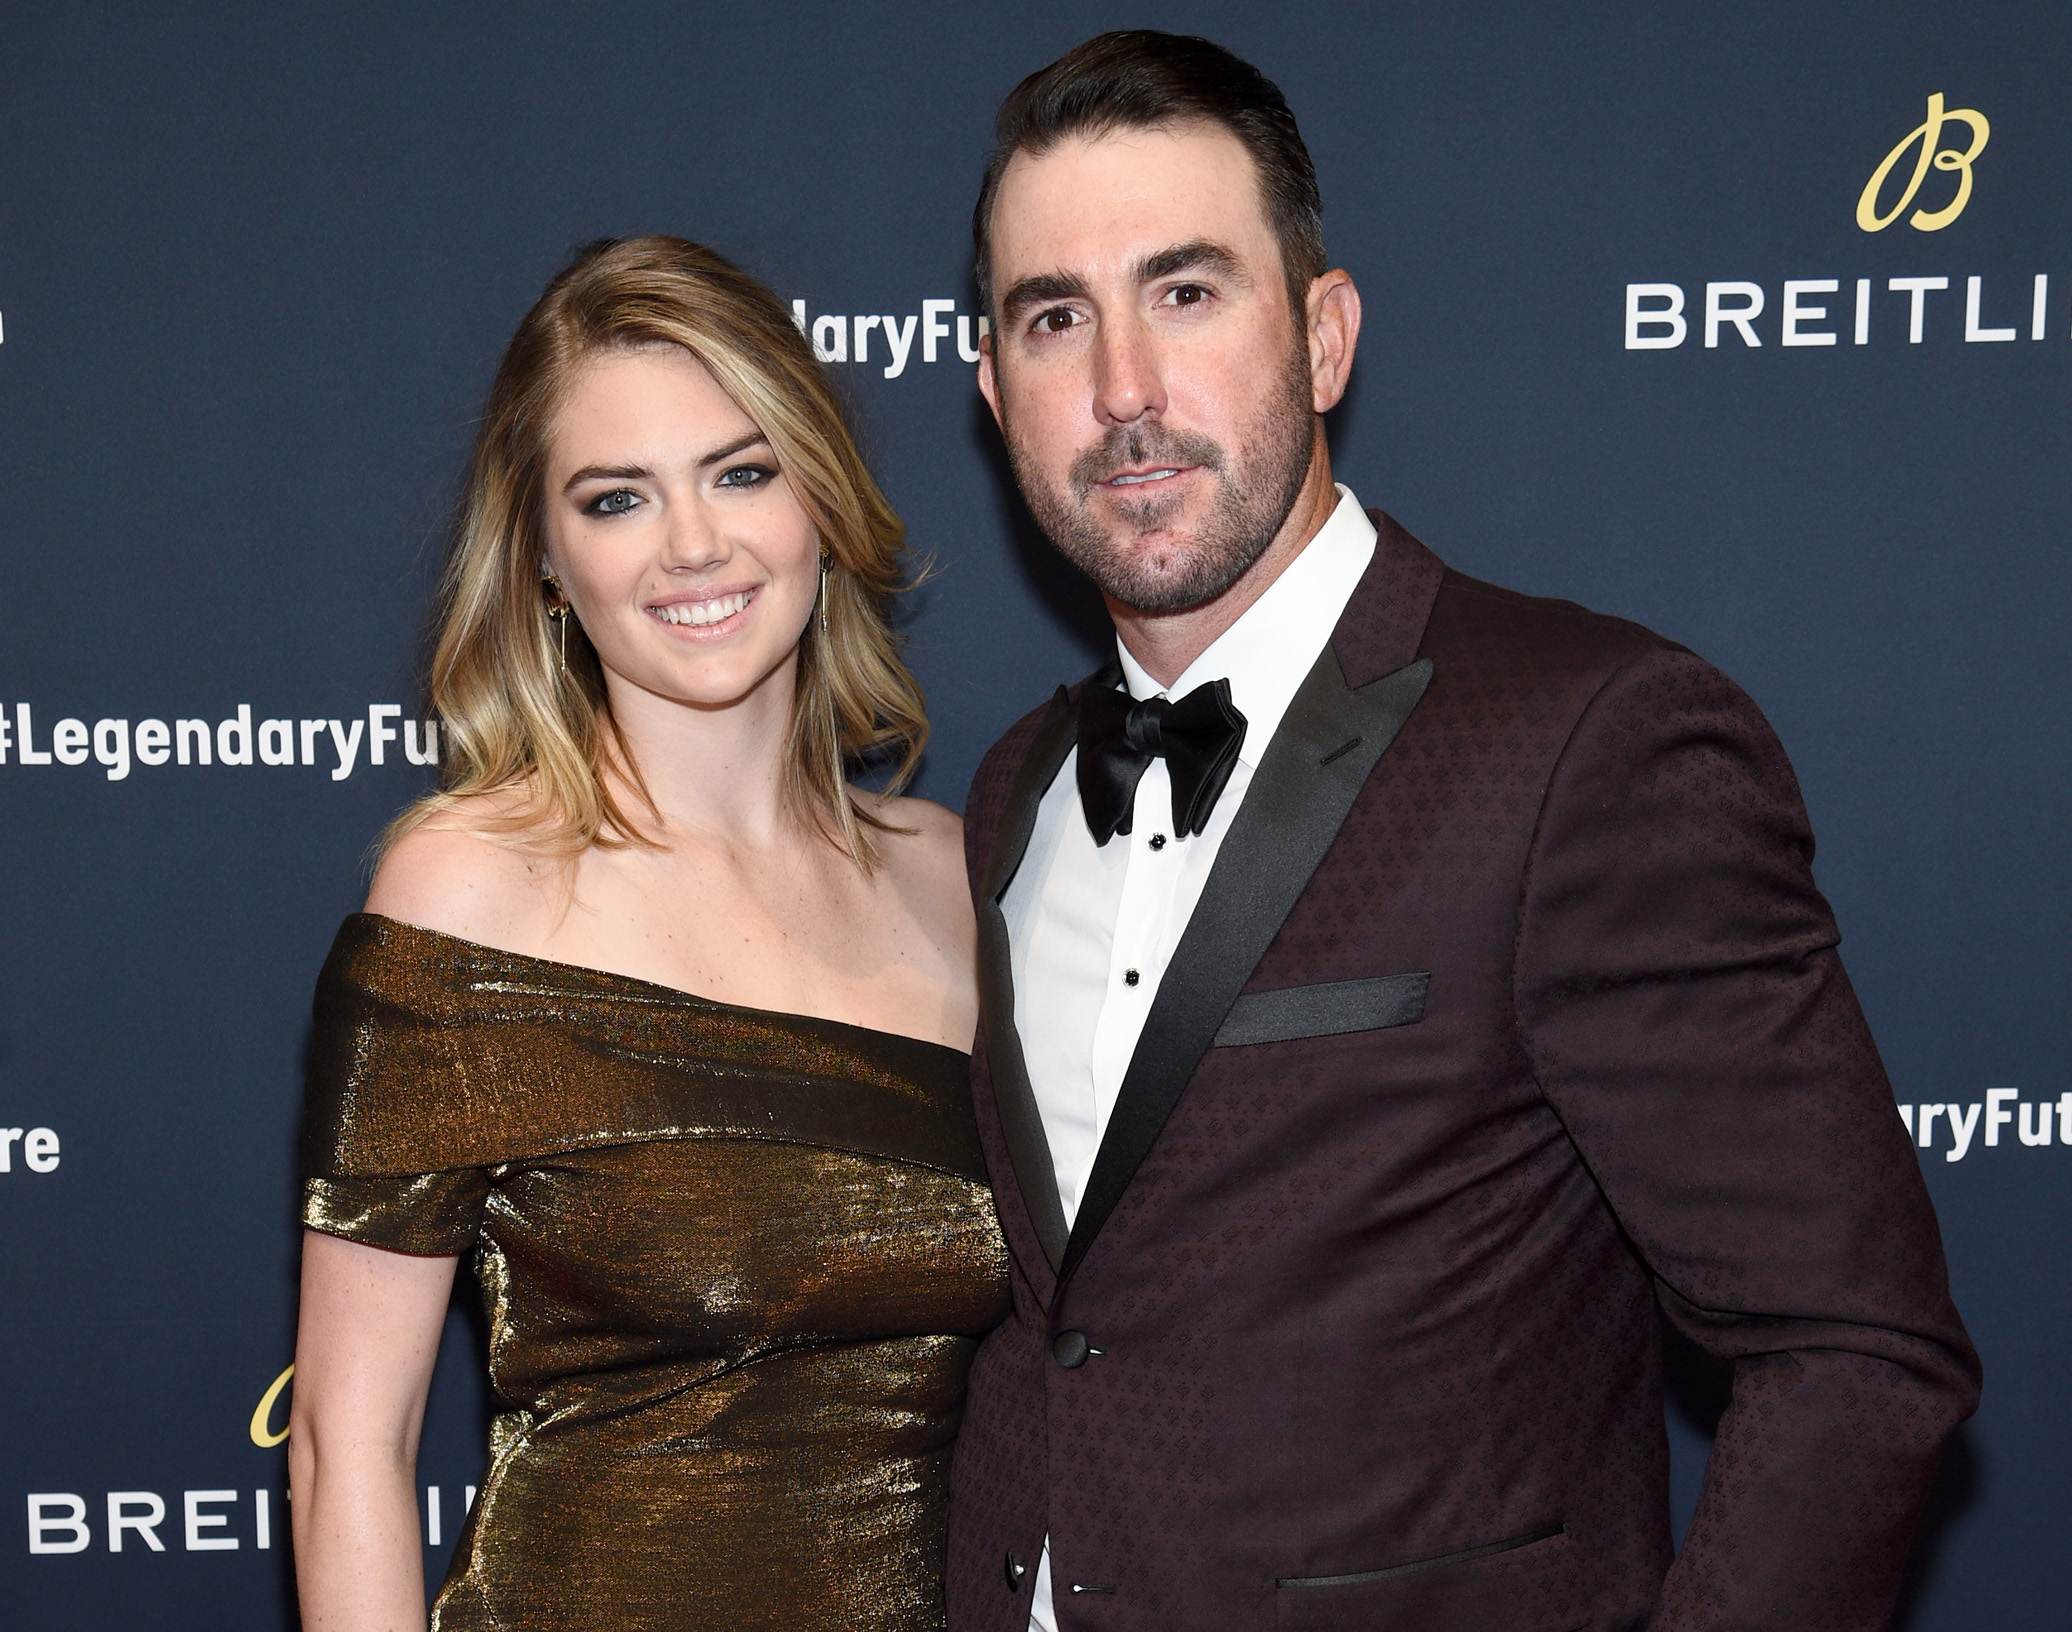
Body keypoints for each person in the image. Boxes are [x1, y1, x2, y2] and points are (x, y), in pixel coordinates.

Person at [948, 31, 1979, 1632]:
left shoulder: (1586, 738)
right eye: (1055, 317)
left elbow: (1858, 1351)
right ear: (993, 383)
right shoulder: (1014, 787)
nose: (1124, 390)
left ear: (1325, 333)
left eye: (1188, 291)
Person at [289, 236, 1008, 1632]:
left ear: (820, 497)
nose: (695, 545)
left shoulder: (956, 877)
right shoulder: (468, 894)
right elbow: (345, 1453)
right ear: (549, 563)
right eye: (618, 499)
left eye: (742, 472)